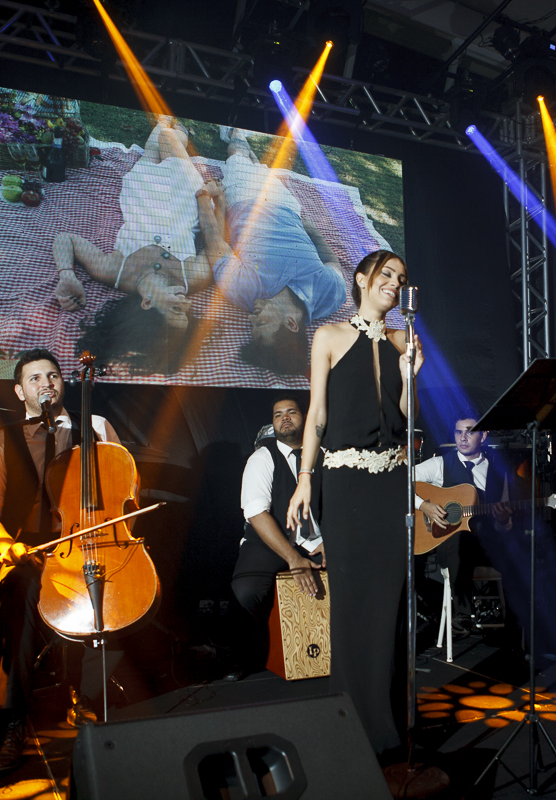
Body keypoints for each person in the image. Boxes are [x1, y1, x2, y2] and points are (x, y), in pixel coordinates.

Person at [286, 249, 422, 755]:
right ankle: (349, 723)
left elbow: (405, 417)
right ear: (362, 278)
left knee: (388, 604)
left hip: (390, 486)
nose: (394, 282)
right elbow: (316, 415)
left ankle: (389, 725)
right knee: (351, 606)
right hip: (343, 486)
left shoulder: (403, 340)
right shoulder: (328, 336)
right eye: (387, 273)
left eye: (401, 278)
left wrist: (410, 377)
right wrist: (304, 479)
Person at [0, 348, 121, 771]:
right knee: (18, 599)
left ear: (63, 383)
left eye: (53, 376)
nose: (46, 384)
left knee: (114, 597)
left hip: (88, 543)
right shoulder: (3, 442)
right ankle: (13, 721)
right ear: (20, 391)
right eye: (35, 378)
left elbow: (124, 486)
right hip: (30, 551)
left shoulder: (95, 427)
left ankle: (88, 700)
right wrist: (7, 547)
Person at [51, 117, 216, 375]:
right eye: (187, 313)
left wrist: (67, 275)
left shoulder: (115, 272)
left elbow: (66, 239)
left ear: (147, 303)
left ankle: (167, 120)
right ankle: (176, 126)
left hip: (141, 195)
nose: (187, 305)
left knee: (158, 142)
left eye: (176, 309)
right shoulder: (192, 278)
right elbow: (218, 246)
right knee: (168, 139)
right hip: (183, 197)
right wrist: (212, 203)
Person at [193, 126, 347, 375]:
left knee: (238, 155)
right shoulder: (331, 295)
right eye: (261, 323)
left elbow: (213, 242)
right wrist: (307, 225)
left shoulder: (245, 290)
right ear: (291, 324)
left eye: (251, 325)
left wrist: (204, 197)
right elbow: (331, 260)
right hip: (287, 207)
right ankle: (242, 140)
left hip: (244, 201)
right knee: (262, 169)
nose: (251, 318)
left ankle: (235, 133)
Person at [228, 395, 326, 680]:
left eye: (291, 412)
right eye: (277, 414)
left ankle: (345, 651)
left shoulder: (324, 456)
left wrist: (331, 542)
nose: (284, 417)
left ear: (304, 418)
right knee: (246, 592)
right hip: (268, 542)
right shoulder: (262, 457)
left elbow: (338, 505)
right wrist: (293, 558)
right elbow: (257, 514)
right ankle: (243, 658)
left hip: (315, 541)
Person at [414, 412, 513, 633]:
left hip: (487, 545)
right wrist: (424, 506)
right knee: (461, 538)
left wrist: (503, 520)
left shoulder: (498, 473)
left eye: (470, 432)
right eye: (459, 432)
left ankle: (515, 630)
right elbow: (402, 481)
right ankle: (462, 614)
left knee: (518, 555)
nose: (463, 438)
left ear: (484, 436)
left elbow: (503, 526)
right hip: (449, 545)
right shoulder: (441, 464)